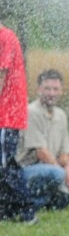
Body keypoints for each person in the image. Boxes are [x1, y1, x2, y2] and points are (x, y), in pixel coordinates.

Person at [18, 69, 69, 211]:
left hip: (53, 168)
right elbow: (41, 152)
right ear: (38, 90)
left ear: (61, 91)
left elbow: (64, 152)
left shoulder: (61, 115)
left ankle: (57, 202)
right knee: (57, 173)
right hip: (28, 169)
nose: (51, 93)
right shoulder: (30, 112)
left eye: (55, 89)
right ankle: (32, 204)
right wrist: (64, 175)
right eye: (47, 89)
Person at [0, 21, 36, 224]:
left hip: (6, 114)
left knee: (6, 164)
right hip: (5, 114)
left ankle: (27, 210)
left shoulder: (4, 37)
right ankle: (6, 210)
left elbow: (1, 74)